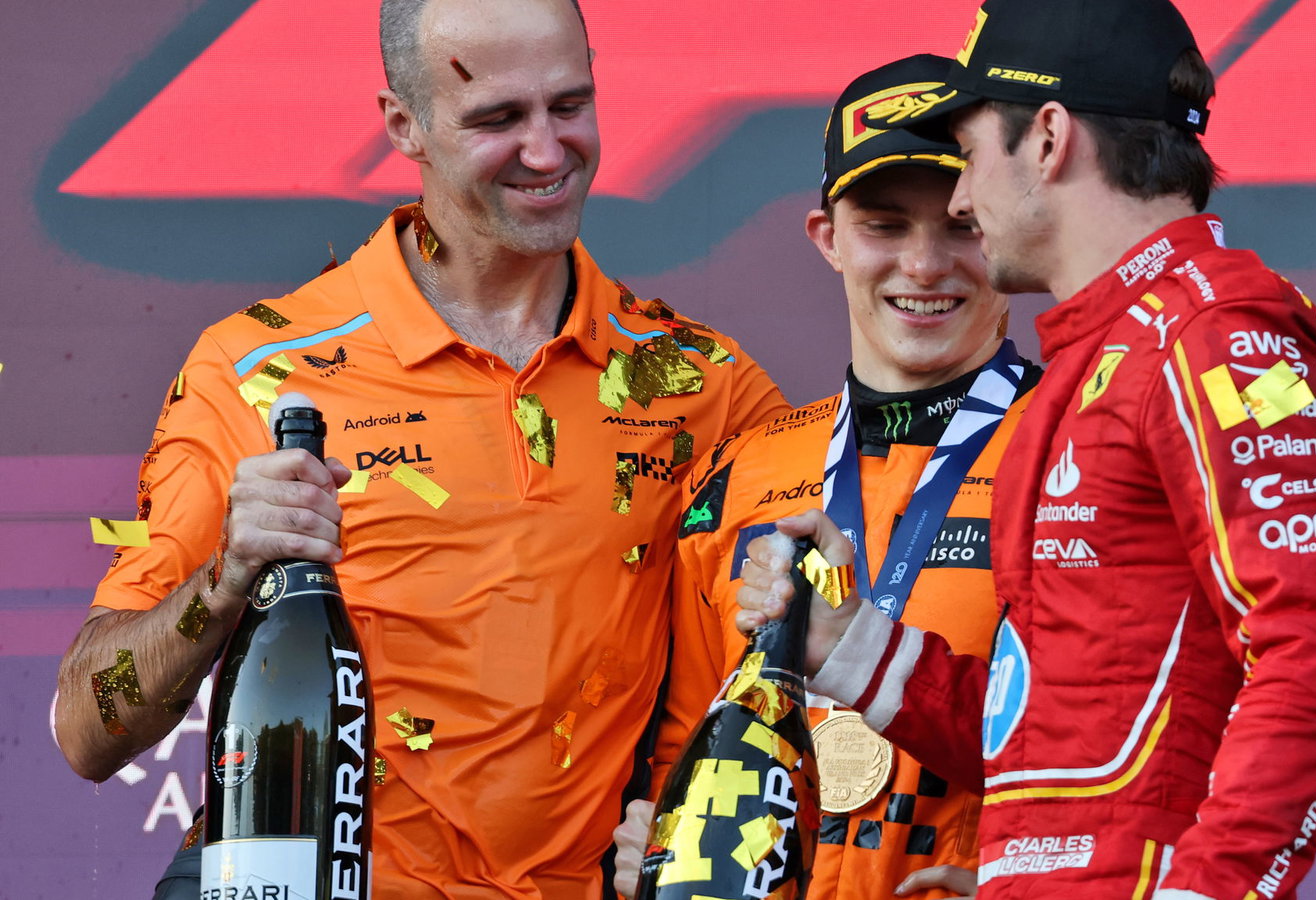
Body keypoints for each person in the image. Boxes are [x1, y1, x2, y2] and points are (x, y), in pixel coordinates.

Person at [53, 0, 787, 896]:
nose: (549, 152)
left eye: (569, 105)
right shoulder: (255, 371)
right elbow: (88, 731)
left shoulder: (701, 383)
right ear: (404, 124)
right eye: (498, 119)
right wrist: (230, 572)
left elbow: (781, 670)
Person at [733, 1, 1316, 898]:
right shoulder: (1089, 366)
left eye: (966, 158)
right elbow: (1058, 725)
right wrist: (850, 645)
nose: (960, 199)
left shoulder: (1218, 336)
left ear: (1046, 139)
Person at [610, 54, 1042, 900]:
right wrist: (657, 846)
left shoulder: (1083, 449)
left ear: (1014, 229)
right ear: (828, 239)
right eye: (884, 225)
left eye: (962, 225)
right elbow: (687, 748)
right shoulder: (743, 471)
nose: (923, 266)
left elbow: (1134, 747)